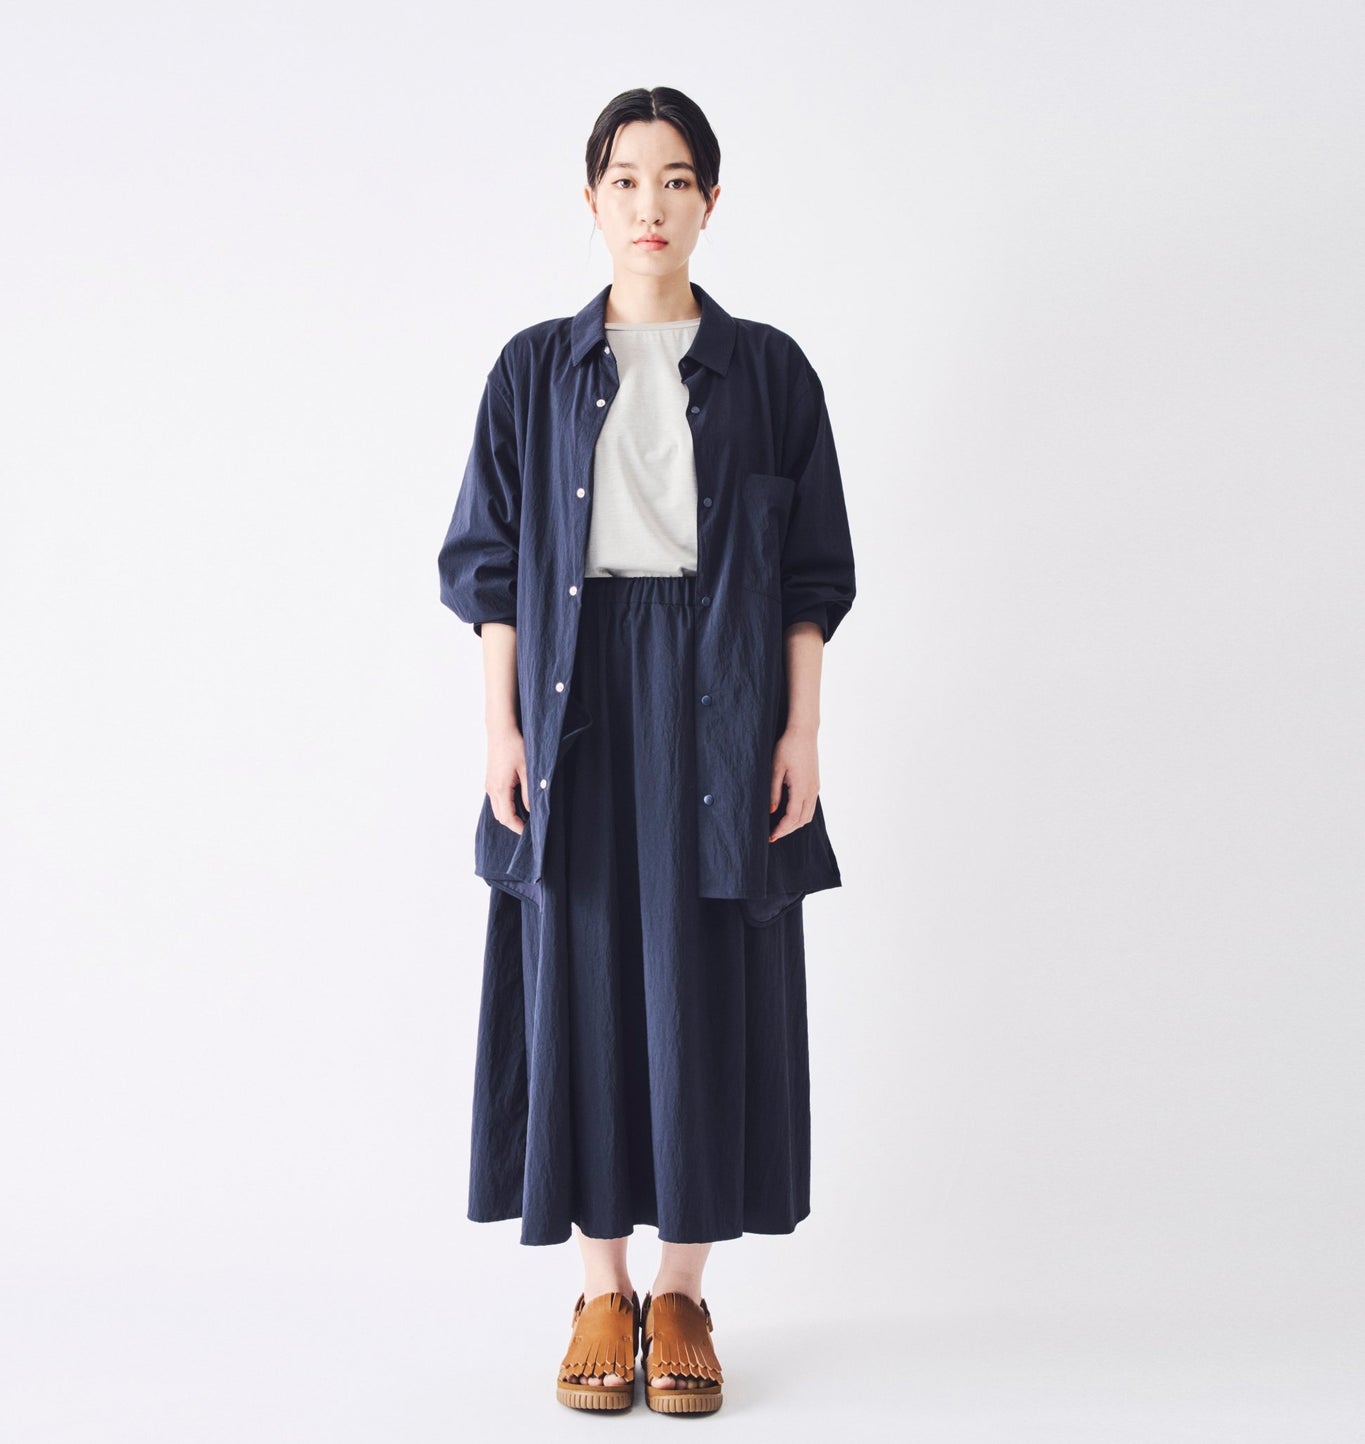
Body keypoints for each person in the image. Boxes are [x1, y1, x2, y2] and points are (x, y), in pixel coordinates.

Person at [437, 86, 856, 1415]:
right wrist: (501, 727)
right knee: (580, 976)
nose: (650, 205)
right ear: (591, 199)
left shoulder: (772, 373)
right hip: (574, 697)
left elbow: (810, 578)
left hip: (721, 701)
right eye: (625, 180)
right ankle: (599, 1291)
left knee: (704, 979)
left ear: (710, 202)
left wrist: (800, 732)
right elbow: (490, 567)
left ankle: (681, 1290)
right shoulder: (531, 372)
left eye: (676, 180)